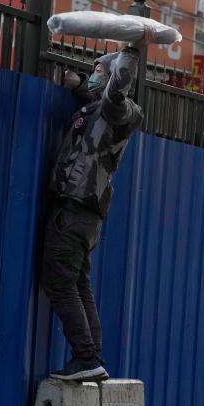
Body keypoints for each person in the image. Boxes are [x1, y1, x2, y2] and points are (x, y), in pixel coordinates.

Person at [41, 44, 144, 382]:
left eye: (100, 70)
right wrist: (79, 82)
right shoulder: (103, 110)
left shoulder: (118, 108)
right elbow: (95, 98)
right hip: (84, 213)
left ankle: (85, 356)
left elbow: (115, 90)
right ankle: (91, 358)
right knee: (79, 285)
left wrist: (131, 50)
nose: (95, 74)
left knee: (61, 283)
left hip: (74, 209)